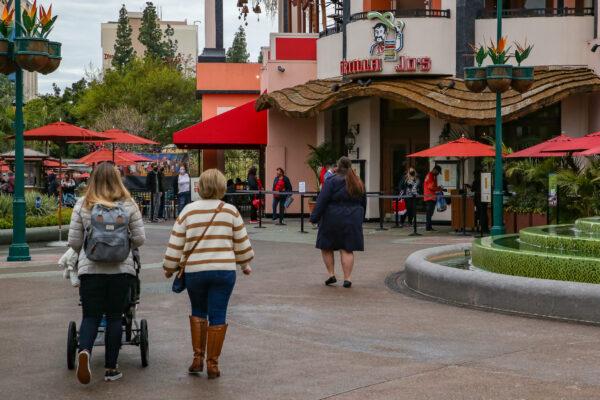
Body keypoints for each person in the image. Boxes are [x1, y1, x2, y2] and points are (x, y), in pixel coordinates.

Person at [163, 169, 254, 379]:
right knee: (218, 313)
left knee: (198, 310)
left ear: (199, 187)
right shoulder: (231, 211)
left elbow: (176, 242)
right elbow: (241, 243)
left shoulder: (188, 210)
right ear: (222, 186)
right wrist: (244, 264)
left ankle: (197, 358)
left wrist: (170, 267)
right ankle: (213, 364)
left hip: (196, 271)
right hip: (224, 271)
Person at [68, 162, 146, 384]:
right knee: (114, 317)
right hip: (121, 270)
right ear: (118, 179)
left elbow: (74, 242)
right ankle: (111, 368)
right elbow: (140, 239)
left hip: (90, 270)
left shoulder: (83, 204)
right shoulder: (128, 204)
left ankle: (85, 351)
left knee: (91, 315)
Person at [309, 157, 366, 288]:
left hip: (332, 217)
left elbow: (322, 200)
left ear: (338, 166)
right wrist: (360, 218)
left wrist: (314, 218)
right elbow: (363, 203)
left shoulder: (331, 181)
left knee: (326, 246)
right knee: (347, 248)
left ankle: (331, 274)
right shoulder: (358, 181)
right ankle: (348, 278)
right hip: (353, 217)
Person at [424, 165, 442, 231]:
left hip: (430, 196)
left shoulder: (431, 175)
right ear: (435, 170)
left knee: (430, 213)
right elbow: (430, 187)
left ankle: (429, 227)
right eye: (438, 172)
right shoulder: (431, 176)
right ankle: (428, 227)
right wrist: (438, 188)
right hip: (430, 197)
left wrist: (437, 188)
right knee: (429, 213)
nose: (438, 174)